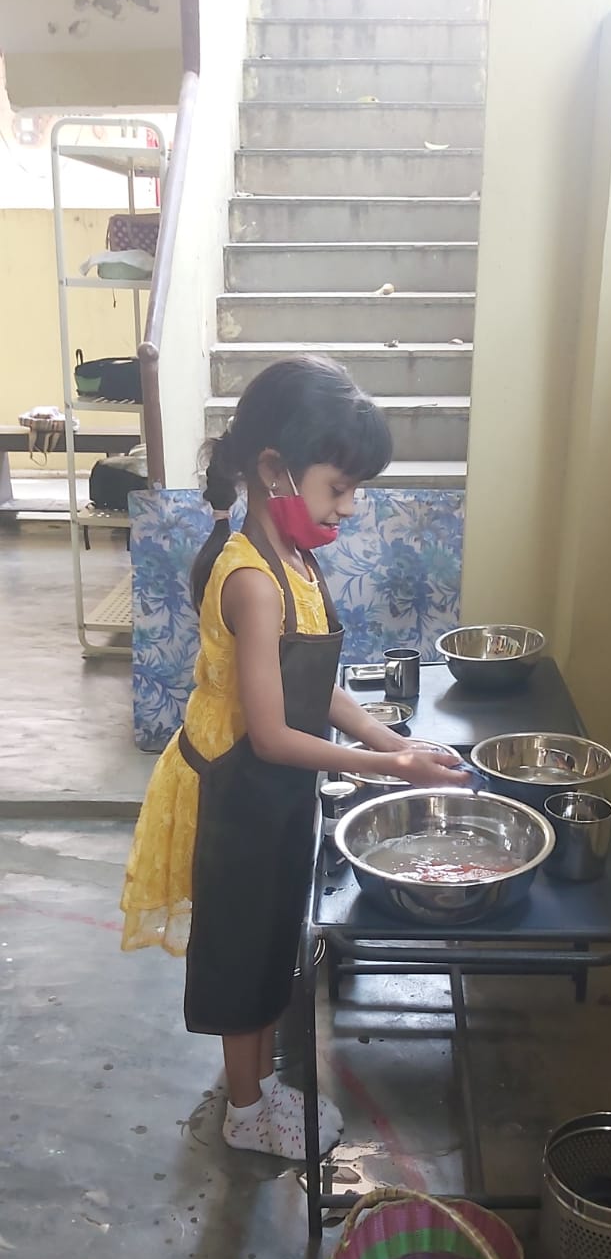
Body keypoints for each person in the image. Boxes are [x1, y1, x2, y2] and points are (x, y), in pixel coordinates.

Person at [121, 355, 466, 1161]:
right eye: (338, 488)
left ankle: (259, 1084)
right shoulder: (254, 581)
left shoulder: (299, 562)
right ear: (275, 469)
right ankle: (245, 1110)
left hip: (275, 793)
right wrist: (393, 771)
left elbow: (314, 686)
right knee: (241, 956)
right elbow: (273, 733)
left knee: (275, 940)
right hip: (236, 794)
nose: (349, 507)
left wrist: (393, 740)